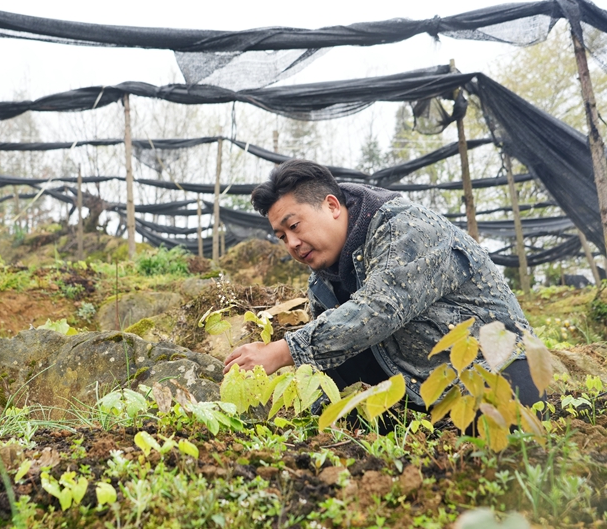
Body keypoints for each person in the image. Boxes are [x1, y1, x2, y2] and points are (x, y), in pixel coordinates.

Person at [223, 159, 542, 410]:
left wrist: (282, 350)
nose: (291, 243)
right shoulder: (323, 281)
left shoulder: (404, 228)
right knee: (333, 353)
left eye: (294, 226)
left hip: (496, 371)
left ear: (332, 206)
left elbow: (380, 308)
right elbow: (329, 357)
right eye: (281, 237)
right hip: (420, 389)